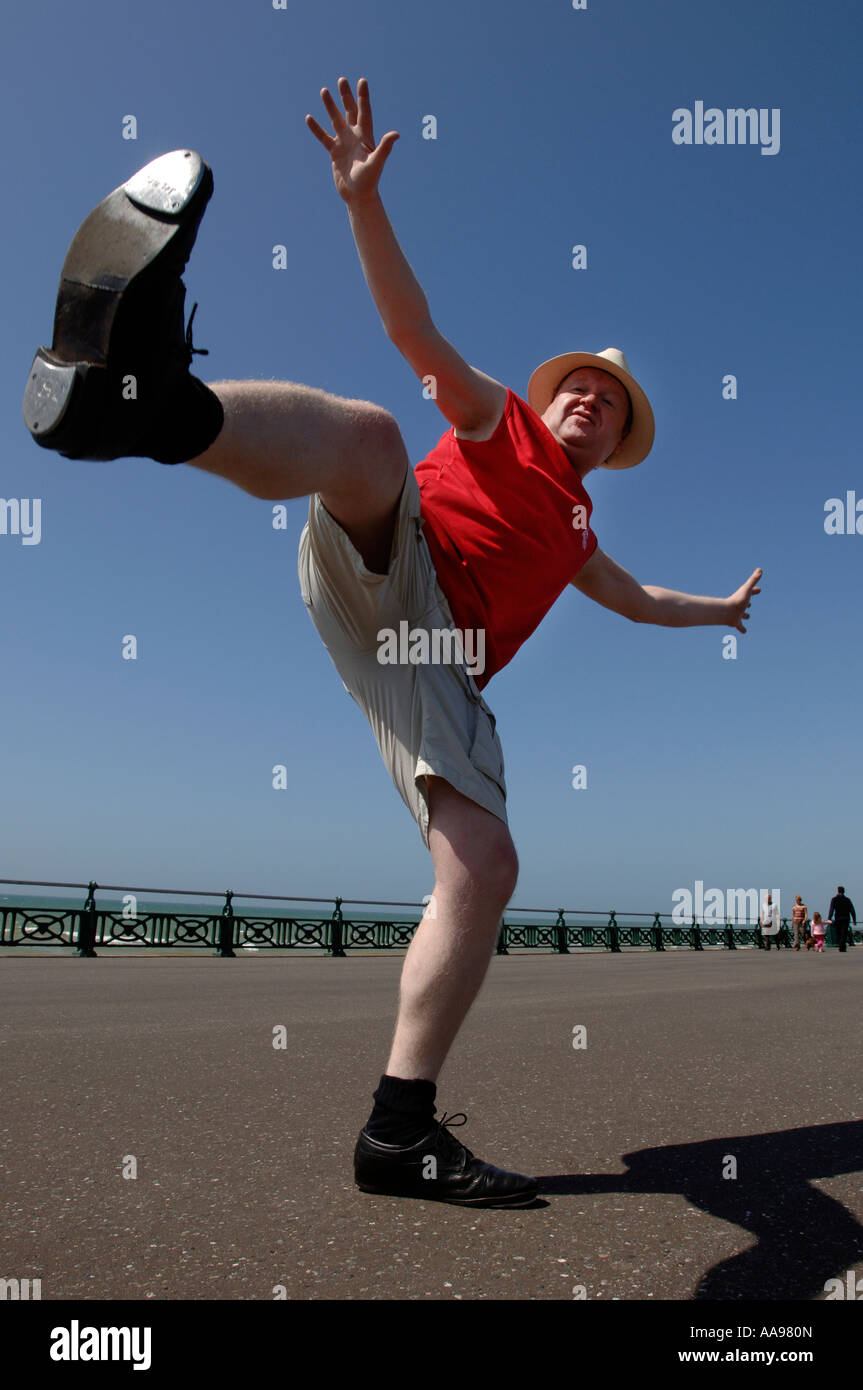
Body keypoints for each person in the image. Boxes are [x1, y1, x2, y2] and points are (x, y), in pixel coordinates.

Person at [22, 77, 762, 1208]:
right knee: (370, 436)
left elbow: (636, 600)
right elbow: (410, 327)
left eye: (609, 407)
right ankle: (138, 406)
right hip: (388, 555)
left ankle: (397, 1132)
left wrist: (716, 612)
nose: (589, 405)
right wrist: (362, 202)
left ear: (613, 445)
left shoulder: (576, 530)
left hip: (433, 658)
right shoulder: (496, 418)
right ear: (549, 395)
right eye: (581, 389)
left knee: (486, 867)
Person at [826, 886, 857, 953]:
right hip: (846, 918)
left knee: (839, 933)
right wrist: (854, 919)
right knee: (844, 933)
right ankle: (842, 947)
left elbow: (831, 909)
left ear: (838, 891)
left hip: (838, 918)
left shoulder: (834, 899)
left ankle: (841, 946)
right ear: (844, 891)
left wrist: (829, 918)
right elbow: (852, 910)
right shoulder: (847, 900)